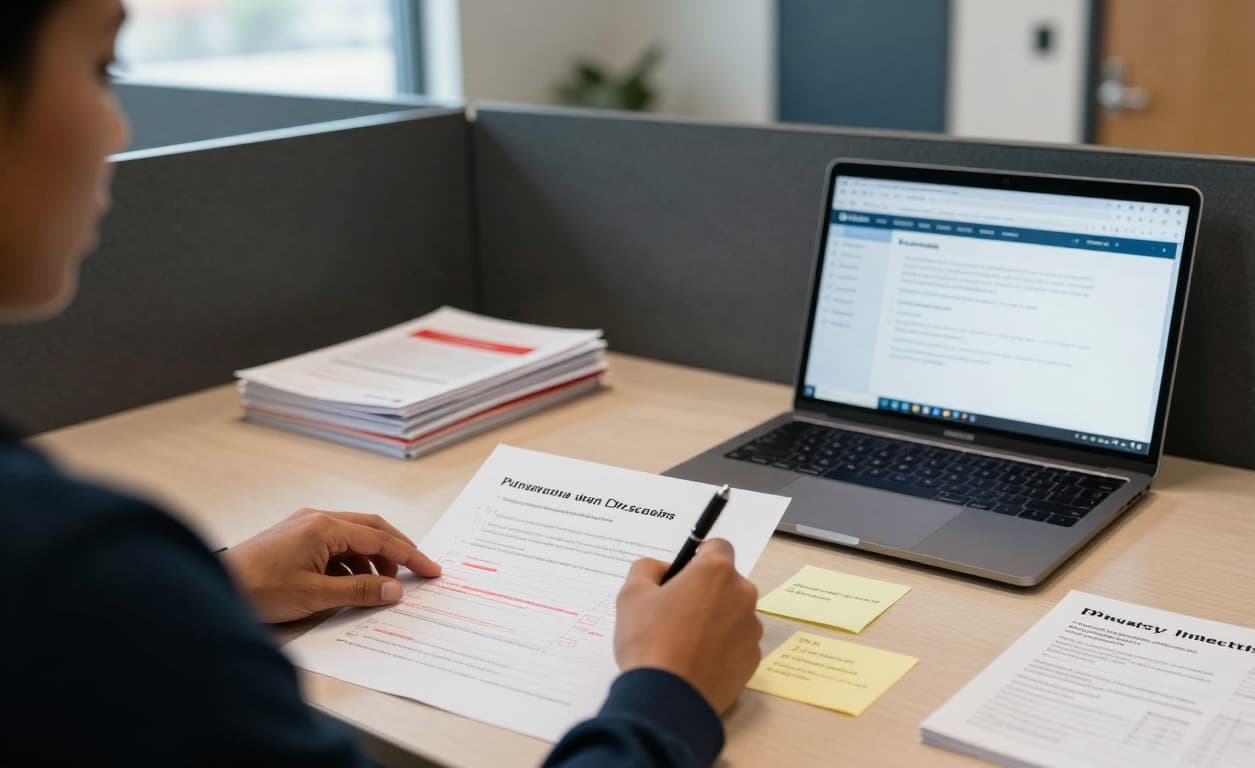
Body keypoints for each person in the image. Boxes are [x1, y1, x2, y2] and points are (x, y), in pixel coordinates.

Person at [0, 1, 764, 765]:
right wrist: (670, 691)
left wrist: (202, 595)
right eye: (103, 69)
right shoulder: (65, 564)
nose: (117, 129)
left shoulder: (74, 575)